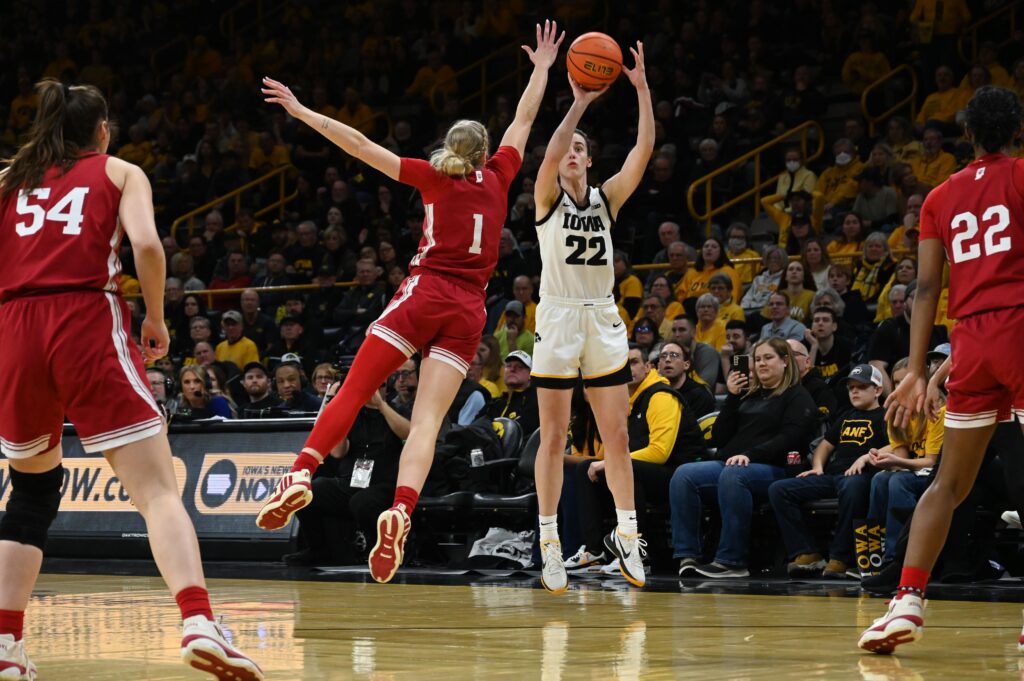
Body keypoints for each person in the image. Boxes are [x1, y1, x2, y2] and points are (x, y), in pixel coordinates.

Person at [255, 22, 566, 589]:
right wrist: (542, 69)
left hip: (425, 295)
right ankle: (399, 509)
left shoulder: (431, 178)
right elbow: (524, 121)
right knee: (426, 421)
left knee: (354, 390)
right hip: (470, 310)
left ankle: (299, 472)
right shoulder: (499, 176)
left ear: (449, 148)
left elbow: (359, 144)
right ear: (484, 150)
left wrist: (300, 111)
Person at [0, 79, 262, 679]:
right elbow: (145, 242)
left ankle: (5, 643)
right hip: (82, 320)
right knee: (157, 491)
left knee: (33, 495)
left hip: (14, 328)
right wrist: (155, 316)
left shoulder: (12, 179)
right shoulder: (120, 171)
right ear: (101, 129)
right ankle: (199, 620)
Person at [859, 86, 1024, 654]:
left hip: (970, 340)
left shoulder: (940, 196)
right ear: (1016, 131)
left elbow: (926, 287)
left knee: (948, 483)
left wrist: (914, 369)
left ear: (969, 136)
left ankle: (905, 602)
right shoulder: (1023, 176)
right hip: (1020, 328)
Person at [529, 39, 654, 593]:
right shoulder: (545, 199)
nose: (573, 153)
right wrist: (578, 102)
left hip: (601, 317)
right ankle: (550, 541)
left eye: (581, 148)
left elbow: (643, 152)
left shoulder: (606, 200)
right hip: (557, 318)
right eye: (568, 149)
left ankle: (628, 537)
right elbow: (551, 150)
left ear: (591, 159)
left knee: (617, 435)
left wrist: (642, 90)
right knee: (554, 437)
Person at [671, 338, 816, 577]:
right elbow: (718, 437)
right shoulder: (749, 395)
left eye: (768, 358)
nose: (761, 364)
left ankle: (732, 561)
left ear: (785, 361)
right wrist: (732, 397)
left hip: (775, 468)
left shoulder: (797, 396)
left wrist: (749, 455)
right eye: (757, 359)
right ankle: (688, 555)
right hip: (734, 465)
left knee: (734, 474)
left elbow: (790, 438)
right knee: (685, 474)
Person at [570, 345, 706, 571]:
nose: (627, 369)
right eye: (622, 365)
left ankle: (636, 553)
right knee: (585, 469)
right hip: (646, 472)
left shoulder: (661, 395)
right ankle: (594, 551)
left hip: (680, 474)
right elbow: (608, 452)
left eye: (633, 362)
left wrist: (609, 463)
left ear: (648, 367)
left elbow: (659, 452)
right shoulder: (627, 401)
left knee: (627, 470)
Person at [769, 364, 888, 578]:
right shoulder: (846, 416)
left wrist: (867, 456)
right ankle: (807, 552)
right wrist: (817, 467)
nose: (854, 391)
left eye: (861, 387)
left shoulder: (886, 416)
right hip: (834, 475)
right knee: (779, 489)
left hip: (865, 475)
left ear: (878, 390)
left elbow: (900, 446)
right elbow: (825, 445)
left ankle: (840, 558)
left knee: (853, 486)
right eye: (851, 387)